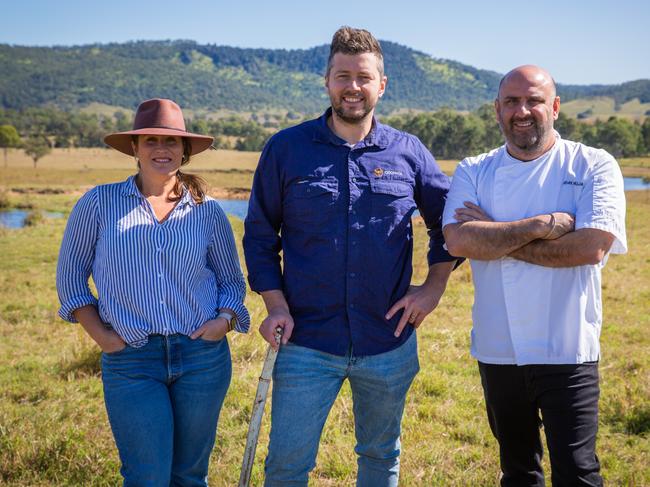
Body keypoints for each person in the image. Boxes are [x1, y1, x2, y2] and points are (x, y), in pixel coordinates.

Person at [243, 27, 458, 486]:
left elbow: (450, 225)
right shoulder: (286, 149)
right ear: (327, 81)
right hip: (305, 342)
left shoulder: (409, 152)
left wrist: (433, 289)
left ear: (382, 84)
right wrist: (275, 306)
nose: (353, 87)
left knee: (381, 456)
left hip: (388, 341)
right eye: (343, 76)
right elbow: (260, 235)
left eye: (364, 77)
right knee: (286, 465)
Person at [442, 65, 627, 486]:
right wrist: (542, 224)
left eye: (534, 101)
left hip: (568, 346)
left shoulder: (594, 164)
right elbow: (457, 241)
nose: (522, 111)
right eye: (511, 102)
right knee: (518, 473)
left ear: (555, 107)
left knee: (578, 474)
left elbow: (590, 248)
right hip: (498, 347)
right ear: (497, 110)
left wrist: (494, 232)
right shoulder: (475, 169)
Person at [56, 98, 250, 486]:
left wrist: (224, 322)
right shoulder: (98, 203)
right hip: (132, 359)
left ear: (185, 151)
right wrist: (103, 338)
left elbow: (231, 280)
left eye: (172, 142)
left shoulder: (207, 211)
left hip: (202, 359)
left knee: (190, 476)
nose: (162, 150)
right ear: (134, 148)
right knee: (147, 477)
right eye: (151, 141)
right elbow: (71, 278)